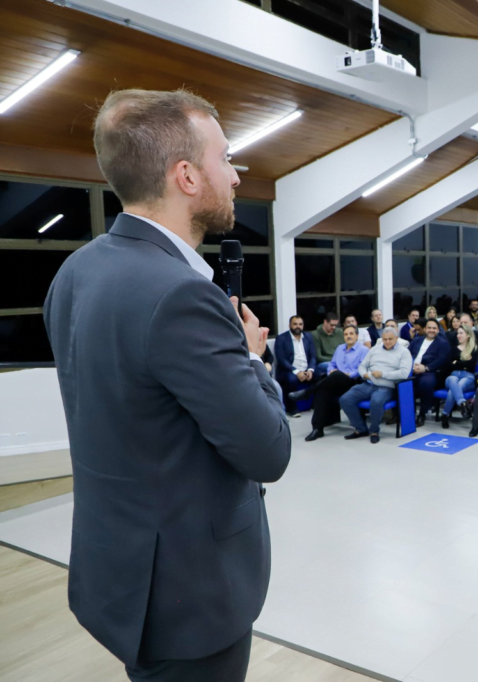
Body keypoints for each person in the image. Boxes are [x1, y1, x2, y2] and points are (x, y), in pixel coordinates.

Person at [44, 88, 290, 681]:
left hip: (122, 575)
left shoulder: (77, 270)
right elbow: (268, 450)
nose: (234, 177)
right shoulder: (182, 295)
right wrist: (253, 362)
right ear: (186, 176)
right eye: (225, 159)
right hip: (189, 593)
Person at [340, 328, 412, 444]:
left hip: (387, 387)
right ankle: (361, 428)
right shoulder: (374, 349)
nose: (387, 342)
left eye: (390, 339)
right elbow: (362, 365)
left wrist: (383, 374)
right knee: (345, 399)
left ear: (396, 338)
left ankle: (374, 431)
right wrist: (364, 374)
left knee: (376, 401)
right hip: (368, 383)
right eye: (385, 339)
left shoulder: (404, 352)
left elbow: (404, 373)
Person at [304, 324, 369, 442]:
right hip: (336, 381)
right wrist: (331, 372)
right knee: (322, 391)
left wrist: (348, 374)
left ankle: (308, 392)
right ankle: (317, 429)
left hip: (353, 382)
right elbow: (331, 365)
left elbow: (362, 369)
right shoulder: (340, 348)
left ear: (357, 336)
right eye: (346, 334)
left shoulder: (364, 350)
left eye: (351, 334)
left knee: (337, 375)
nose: (348, 336)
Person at [409, 319, 452, 426]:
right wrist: (411, 366)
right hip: (412, 370)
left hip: (431, 372)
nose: (431, 330)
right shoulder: (416, 340)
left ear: (438, 330)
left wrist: (426, 368)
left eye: (434, 328)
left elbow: (441, 360)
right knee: (402, 383)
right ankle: (407, 415)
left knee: (426, 383)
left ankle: (422, 414)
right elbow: (407, 355)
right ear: (424, 329)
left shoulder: (443, 343)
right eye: (429, 328)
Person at [275, 315, 317, 415]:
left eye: (300, 324)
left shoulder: (308, 337)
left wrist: (311, 370)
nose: (298, 326)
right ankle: (292, 409)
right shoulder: (281, 338)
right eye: (295, 324)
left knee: (321, 375)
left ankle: (315, 405)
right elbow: (282, 360)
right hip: (289, 370)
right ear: (289, 325)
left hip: (306, 369)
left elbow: (313, 356)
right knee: (291, 379)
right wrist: (297, 372)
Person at [439, 326, 478, 428]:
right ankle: (462, 403)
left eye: (461, 333)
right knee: (453, 381)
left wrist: (457, 362)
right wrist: (464, 363)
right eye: (458, 333)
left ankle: (445, 414)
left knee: (454, 390)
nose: (458, 335)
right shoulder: (453, 349)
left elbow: (471, 365)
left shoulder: (474, 349)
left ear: (468, 335)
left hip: (468, 376)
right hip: (453, 375)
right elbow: (448, 365)